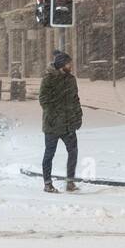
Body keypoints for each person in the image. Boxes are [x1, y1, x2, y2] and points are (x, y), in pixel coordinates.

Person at [38, 50, 82, 193]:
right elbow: (43, 100)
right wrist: (55, 113)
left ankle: (70, 182)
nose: (71, 66)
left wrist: (78, 116)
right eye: (69, 64)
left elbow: (75, 99)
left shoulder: (71, 79)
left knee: (73, 151)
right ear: (62, 64)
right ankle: (47, 183)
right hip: (52, 125)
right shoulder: (49, 78)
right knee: (49, 153)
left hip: (68, 124)